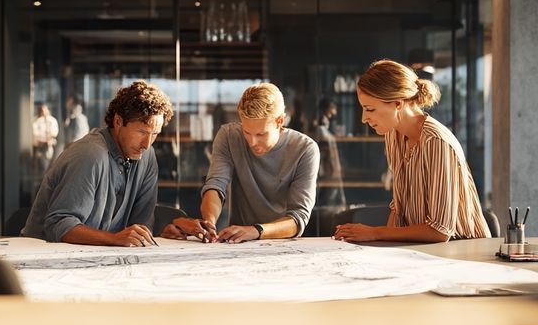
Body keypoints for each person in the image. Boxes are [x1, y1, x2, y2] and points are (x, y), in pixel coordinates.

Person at [334, 59, 489, 243]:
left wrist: (375, 233)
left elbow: (439, 231)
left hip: (462, 253)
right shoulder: (393, 134)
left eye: (370, 109)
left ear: (398, 104)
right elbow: (398, 207)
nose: (364, 118)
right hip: (421, 251)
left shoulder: (436, 142)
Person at [163, 83, 319, 243]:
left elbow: (298, 218)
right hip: (237, 242)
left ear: (280, 121)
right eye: (246, 132)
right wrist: (209, 223)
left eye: (261, 134)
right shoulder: (229, 136)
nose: (252, 142)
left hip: (284, 244)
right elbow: (216, 185)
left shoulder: (305, 149)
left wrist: (255, 231)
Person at [22, 81, 174, 246]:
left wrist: (171, 227)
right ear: (117, 121)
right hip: (42, 259)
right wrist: (115, 239)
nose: (147, 143)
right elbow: (59, 224)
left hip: (101, 260)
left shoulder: (146, 156)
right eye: (141, 132)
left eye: (155, 134)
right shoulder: (90, 155)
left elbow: (141, 226)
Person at [315, 97, 346, 209]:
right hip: (327, 167)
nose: (335, 111)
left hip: (330, 167)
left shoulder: (325, 128)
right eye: (333, 107)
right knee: (328, 194)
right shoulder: (321, 130)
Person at [31, 102, 60, 174]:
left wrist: (49, 139)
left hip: (49, 147)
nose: (43, 111)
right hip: (39, 147)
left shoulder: (52, 120)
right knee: (41, 167)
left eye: (45, 109)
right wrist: (43, 140)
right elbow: (35, 133)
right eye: (41, 109)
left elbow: (54, 133)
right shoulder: (36, 120)